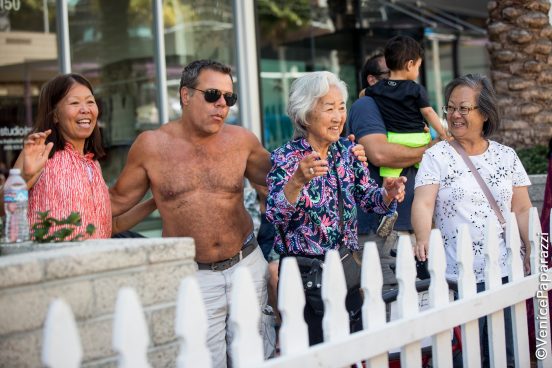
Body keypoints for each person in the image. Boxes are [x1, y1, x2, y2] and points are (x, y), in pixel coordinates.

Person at [107, 60, 274, 367]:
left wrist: (335, 149)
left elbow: (284, 176)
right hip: (193, 276)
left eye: (229, 98)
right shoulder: (152, 146)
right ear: (185, 95)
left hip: (245, 265)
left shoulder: (241, 140)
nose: (222, 104)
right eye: (212, 95)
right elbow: (115, 201)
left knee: (255, 360)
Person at [266, 71, 406, 345]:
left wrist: (387, 194)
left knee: (352, 348)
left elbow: (369, 200)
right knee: (313, 353)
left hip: (346, 268)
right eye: (329, 108)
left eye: (341, 107)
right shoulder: (285, 157)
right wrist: (296, 181)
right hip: (304, 275)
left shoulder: (347, 151)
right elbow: (275, 215)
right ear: (305, 114)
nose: (338, 116)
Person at [412, 74, 532, 367]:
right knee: (465, 356)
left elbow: (523, 208)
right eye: (451, 108)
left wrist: (532, 248)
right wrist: (422, 236)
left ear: (485, 112)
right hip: (458, 275)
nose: (455, 115)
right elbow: (423, 202)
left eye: (464, 108)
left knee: (506, 353)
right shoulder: (436, 156)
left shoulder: (507, 156)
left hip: (506, 271)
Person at [1, 73, 155, 239]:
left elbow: (111, 225)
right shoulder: (40, 153)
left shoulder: (92, 164)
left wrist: (156, 201)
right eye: (74, 103)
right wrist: (25, 177)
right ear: (54, 114)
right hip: (52, 262)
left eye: (90, 102)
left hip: (93, 261)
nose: (85, 109)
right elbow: (2, 208)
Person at [348, 51, 431, 290]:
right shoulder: (367, 105)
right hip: (381, 232)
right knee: (389, 311)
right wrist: (430, 149)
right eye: (391, 74)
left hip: (413, 228)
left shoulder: (408, 107)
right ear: (372, 80)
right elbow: (379, 153)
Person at [365, 36, 449, 235]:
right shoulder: (416, 89)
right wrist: (444, 134)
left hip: (394, 140)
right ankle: (430, 212)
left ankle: (389, 214)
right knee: (428, 179)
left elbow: (363, 94)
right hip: (418, 139)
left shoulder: (377, 89)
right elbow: (428, 113)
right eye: (418, 67)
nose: (418, 72)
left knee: (390, 186)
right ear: (410, 64)